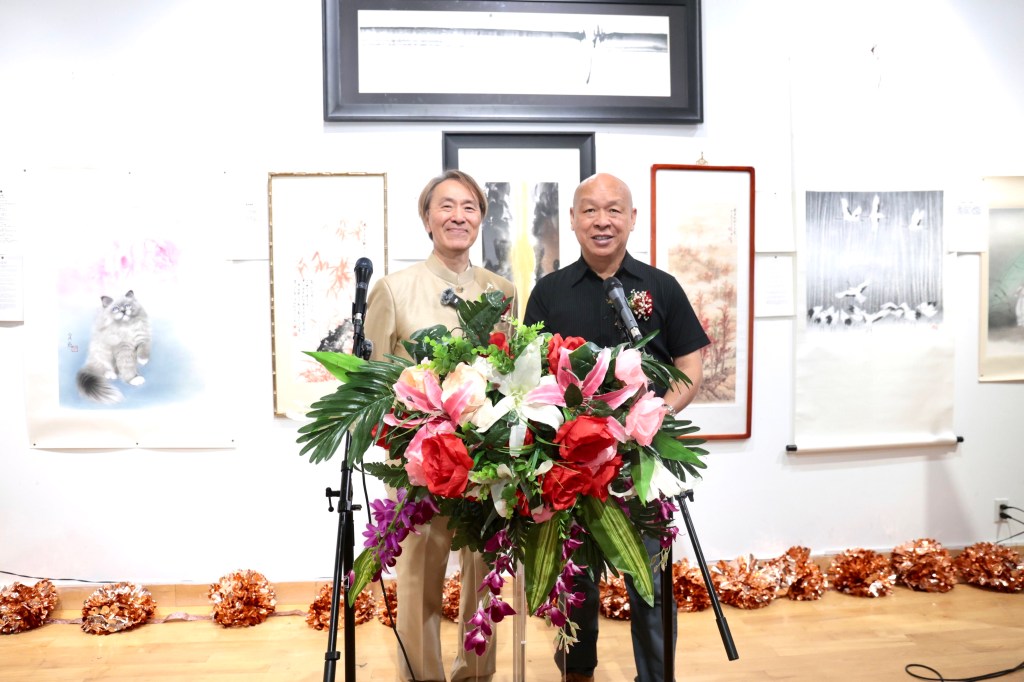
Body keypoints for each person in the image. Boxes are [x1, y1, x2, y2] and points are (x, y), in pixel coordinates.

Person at [523, 173, 710, 682]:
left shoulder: (660, 287)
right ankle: (577, 670)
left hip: (642, 460)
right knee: (575, 576)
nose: (601, 221)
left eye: (613, 210)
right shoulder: (548, 292)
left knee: (650, 580)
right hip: (571, 464)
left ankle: (656, 676)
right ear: (573, 219)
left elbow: (690, 366)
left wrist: (656, 417)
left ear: (632, 218)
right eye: (590, 210)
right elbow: (529, 372)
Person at [363, 169, 516, 682]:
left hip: (487, 462)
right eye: (446, 206)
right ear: (427, 218)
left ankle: (476, 675)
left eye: (469, 207)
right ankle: (421, 676)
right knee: (419, 577)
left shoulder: (502, 291)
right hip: (418, 464)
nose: (458, 216)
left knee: (484, 576)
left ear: (481, 219)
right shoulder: (393, 289)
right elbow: (375, 384)